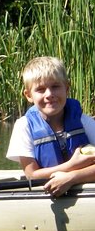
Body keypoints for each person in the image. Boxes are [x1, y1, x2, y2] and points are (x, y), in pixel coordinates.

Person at [6, 56, 95, 197]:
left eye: (55, 86)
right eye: (40, 89)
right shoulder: (24, 126)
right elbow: (32, 175)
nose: (49, 94)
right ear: (28, 95)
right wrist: (72, 165)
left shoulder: (83, 121)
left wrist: (72, 178)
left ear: (67, 88)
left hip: (81, 185)